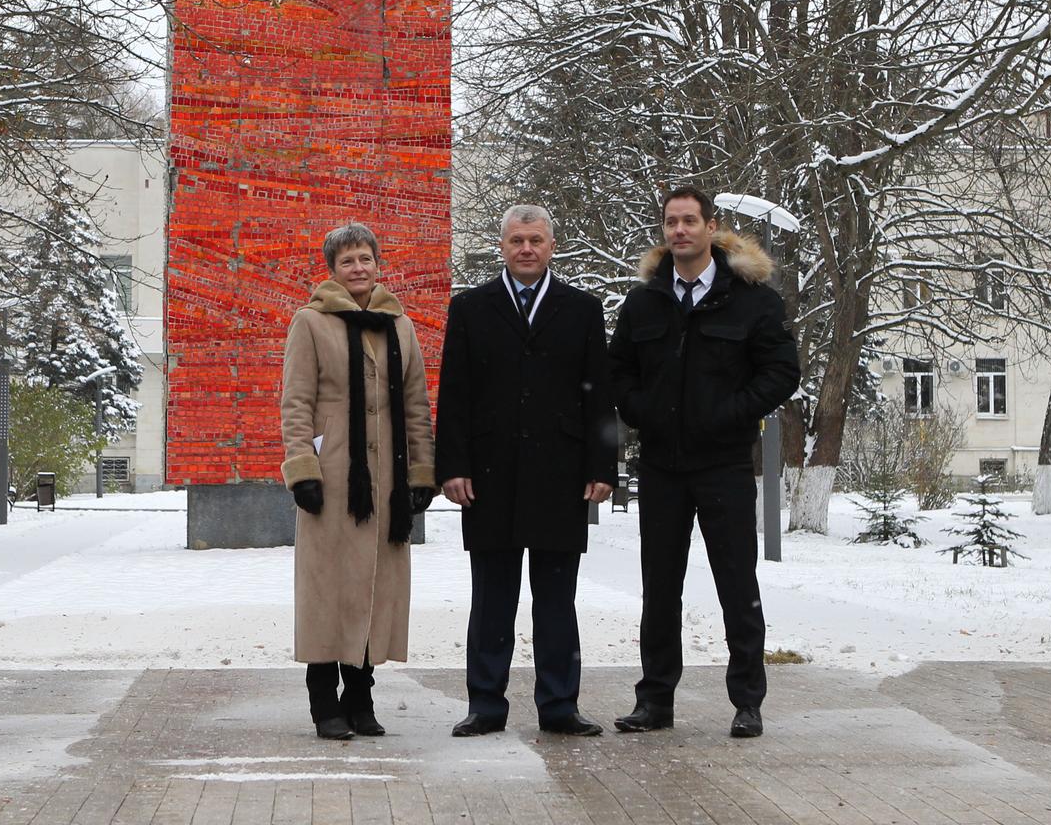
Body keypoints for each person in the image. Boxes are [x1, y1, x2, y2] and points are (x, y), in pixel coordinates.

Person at [609, 186, 800, 739]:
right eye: (671, 222)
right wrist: (642, 410)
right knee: (659, 587)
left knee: (737, 585)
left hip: (724, 465)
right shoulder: (645, 300)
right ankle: (655, 700)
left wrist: (731, 414)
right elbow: (619, 370)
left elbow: (781, 372)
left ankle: (747, 701)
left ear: (711, 227)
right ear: (664, 231)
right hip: (663, 466)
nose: (680, 231)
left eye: (690, 221)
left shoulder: (751, 298)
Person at [435, 204, 617, 737]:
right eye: (517, 240)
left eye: (536, 239)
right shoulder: (470, 308)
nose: (526, 249)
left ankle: (560, 705)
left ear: (551, 245)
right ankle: (486, 704)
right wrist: (454, 466)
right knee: (492, 598)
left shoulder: (582, 309)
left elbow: (598, 396)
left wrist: (602, 466)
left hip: (560, 477)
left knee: (557, 600)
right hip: (487, 477)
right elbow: (456, 392)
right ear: (502, 246)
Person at [280, 222, 436, 739]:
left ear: (377, 263)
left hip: (385, 482)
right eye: (347, 261)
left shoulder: (401, 326)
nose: (358, 268)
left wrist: (420, 472)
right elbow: (296, 403)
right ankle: (325, 703)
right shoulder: (310, 322)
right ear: (332, 269)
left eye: (366, 258)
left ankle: (362, 699)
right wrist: (302, 468)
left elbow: (416, 406)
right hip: (334, 478)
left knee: (374, 591)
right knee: (328, 592)